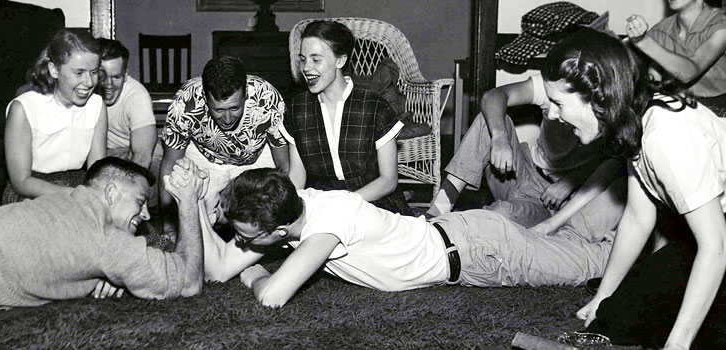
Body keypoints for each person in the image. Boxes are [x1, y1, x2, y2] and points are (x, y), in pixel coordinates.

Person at [527, 28, 726, 349]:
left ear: (597, 95)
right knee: (616, 318)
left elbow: (717, 245)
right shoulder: (635, 121)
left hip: (720, 240)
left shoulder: (666, 135)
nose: (552, 114)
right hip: (717, 234)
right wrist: (603, 298)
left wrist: (678, 343)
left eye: (557, 103)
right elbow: (637, 217)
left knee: (691, 332)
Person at [196, 167, 624, 308]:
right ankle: (616, 212)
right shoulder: (294, 202)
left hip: (481, 251)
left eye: (250, 238)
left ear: (279, 232)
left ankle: (650, 220)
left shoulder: (325, 228)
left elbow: (272, 296)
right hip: (464, 235)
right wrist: (189, 202)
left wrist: (252, 275)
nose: (244, 243)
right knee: (573, 243)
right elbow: (216, 269)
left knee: (592, 264)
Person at [0, 156, 205, 308]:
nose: (147, 214)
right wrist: (189, 202)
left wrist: (109, 274)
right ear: (111, 193)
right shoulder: (104, 235)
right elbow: (189, 282)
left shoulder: (65, 198)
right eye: (140, 201)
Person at [426, 65, 623, 235]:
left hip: (547, 198)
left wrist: (572, 181)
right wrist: (500, 139)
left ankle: (456, 232)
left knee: (499, 217)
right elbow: (493, 97)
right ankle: (439, 208)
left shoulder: (613, 109)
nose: (553, 113)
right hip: (519, 168)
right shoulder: (557, 87)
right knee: (491, 121)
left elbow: (616, 164)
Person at [281, 20, 411, 215]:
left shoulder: (374, 106)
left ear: (340, 61)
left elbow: (388, 180)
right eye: (303, 59)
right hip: (322, 204)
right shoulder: (297, 109)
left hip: (373, 202)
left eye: (316, 60)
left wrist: (343, 205)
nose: (306, 68)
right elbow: (297, 176)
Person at [160, 55, 288, 237]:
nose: (227, 119)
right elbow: (170, 165)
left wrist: (284, 214)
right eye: (219, 110)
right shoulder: (185, 102)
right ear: (205, 98)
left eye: (234, 108)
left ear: (246, 94)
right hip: (206, 157)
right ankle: (216, 216)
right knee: (193, 206)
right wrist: (169, 226)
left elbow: (284, 165)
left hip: (256, 157)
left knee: (263, 209)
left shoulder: (267, 99)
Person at [3, 29, 108, 205]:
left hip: (80, 186)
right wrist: (75, 196)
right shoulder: (23, 108)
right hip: (32, 193)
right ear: (54, 70)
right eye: (79, 73)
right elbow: (21, 181)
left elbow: (97, 171)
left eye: (94, 72)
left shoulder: (97, 105)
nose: (89, 82)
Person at [625, 0, 726, 110]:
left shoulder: (721, 24)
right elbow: (654, 80)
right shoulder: (662, 29)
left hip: (719, 109)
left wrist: (643, 42)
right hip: (681, 104)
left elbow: (690, 72)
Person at [97, 38, 158, 172]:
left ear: (125, 75)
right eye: (102, 77)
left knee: (155, 164)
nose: (109, 85)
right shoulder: (83, 90)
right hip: (99, 154)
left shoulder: (136, 95)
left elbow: (142, 156)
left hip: (131, 154)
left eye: (116, 77)